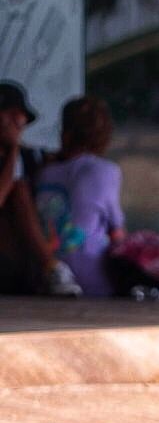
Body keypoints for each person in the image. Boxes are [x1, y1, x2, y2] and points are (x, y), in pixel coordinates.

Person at [34, 96, 126, 298]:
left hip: (48, 277)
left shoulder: (44, 173)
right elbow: (117, 233)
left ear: (64, 132)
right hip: (95, 281)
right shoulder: (106, 171)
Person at [0, 81, 80, 296]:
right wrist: (12, 151)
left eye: (21, 115)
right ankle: (52, 268)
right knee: (18, 190)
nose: (18, 121)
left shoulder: (32, 156)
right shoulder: (15, 156)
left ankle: (53, 270)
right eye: (10, 114)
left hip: (23, 260)